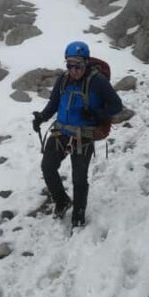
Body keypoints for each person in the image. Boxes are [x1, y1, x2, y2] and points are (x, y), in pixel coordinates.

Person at [32, 41, 123, 227]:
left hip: (84, 135)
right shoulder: (63, 79)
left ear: (86, 62)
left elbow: (116, 105)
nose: (73, 70)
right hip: (60, 131)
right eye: (70, 65)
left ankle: (79, 213)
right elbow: (54, 104)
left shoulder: (98, 82)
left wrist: (96, 114)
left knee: (79, 178)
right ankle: (62, 201)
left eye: (78, 65)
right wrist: (41, 117)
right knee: (48, 167)